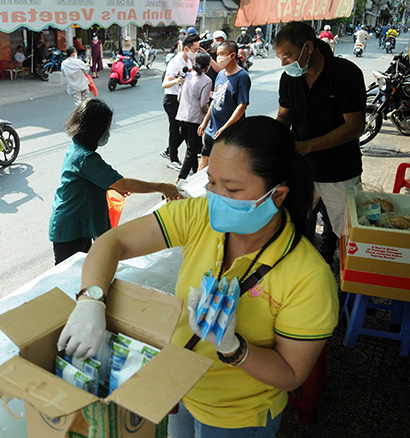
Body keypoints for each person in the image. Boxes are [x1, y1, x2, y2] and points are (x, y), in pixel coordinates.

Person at [57, 116, 338, 436]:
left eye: (230, 188)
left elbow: (291, 372)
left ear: (277, 195)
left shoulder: (309, 278)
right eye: (211, 182)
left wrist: (235, 348)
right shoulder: (198, 215)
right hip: (182, 390)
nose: (214, 196)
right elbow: (113, 241)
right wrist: (91, 300)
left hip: (237, 416)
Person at [49, 98, 183, 265]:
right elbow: (123, 184)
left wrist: (110, 186)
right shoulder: (86, 158)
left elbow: (104, 181)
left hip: (77, 225)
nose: (108, 131)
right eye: (106, 127)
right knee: (68, 277)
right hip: (70, 228)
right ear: (95, 129)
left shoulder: (78, 149)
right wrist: (162, 187)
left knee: (83, 269)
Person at [275, 21, 365, 264]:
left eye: (287, 56)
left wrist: (308, 146)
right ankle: (303, 269)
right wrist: (274, 135)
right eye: (280, 57)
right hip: (303, 170)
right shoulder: (289, 79)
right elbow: (284, 115)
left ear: (308, 47)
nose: (284, 63)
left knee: (347, 236)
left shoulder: (346, 74)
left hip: (340, 172)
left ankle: (346, 287)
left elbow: (355, 126)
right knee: (297, 225)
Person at [197, 41, 251, 171]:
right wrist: (205, 122)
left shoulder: (242, 77)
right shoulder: (221, 74)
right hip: (212, 130)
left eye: (222, 54)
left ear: (232, 56)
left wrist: (225, 127)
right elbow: (215, 99)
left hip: (229, 133)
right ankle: (193, 189)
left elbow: (242, 105)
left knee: (224, 167)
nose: (218, 57)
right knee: (204, 160)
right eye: (218, 54)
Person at [161, 33, 200, 172]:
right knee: (175, 130)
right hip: (172, 100)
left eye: (197, 49)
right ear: (186, 49)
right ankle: (174, 159)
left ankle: (169, 150)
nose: (196, 52)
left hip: (182, 99)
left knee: (184, 130)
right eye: (194, 49)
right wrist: (176, 81)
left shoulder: (188, 61)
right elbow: (165, 84)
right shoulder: (176, 62)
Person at [175, 52, 212, 180]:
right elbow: (203, 104)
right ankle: (181, 178)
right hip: (195, 119)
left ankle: (195, 174)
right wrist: (209, 113)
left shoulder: (188, 76)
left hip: (182, 116)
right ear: (207, 66)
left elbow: (179, 97)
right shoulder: (207, 80)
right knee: (192, 151)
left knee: (191, 148)